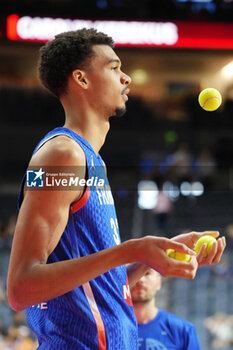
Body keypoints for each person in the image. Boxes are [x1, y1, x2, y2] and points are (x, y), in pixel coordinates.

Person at [7, 28, 226, 349]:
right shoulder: (62, 156)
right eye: (114, 68)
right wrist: (133, 249)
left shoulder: (89, 160)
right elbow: (21, 289)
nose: (127, 79)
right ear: (81, 79)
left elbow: (93, 287)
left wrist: (152, 258)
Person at [131, 269, 201, 350]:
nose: (140, 280)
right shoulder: (114, 328)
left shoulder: (183, 330)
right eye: (134, 272)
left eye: (147, 273)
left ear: (159, 282)